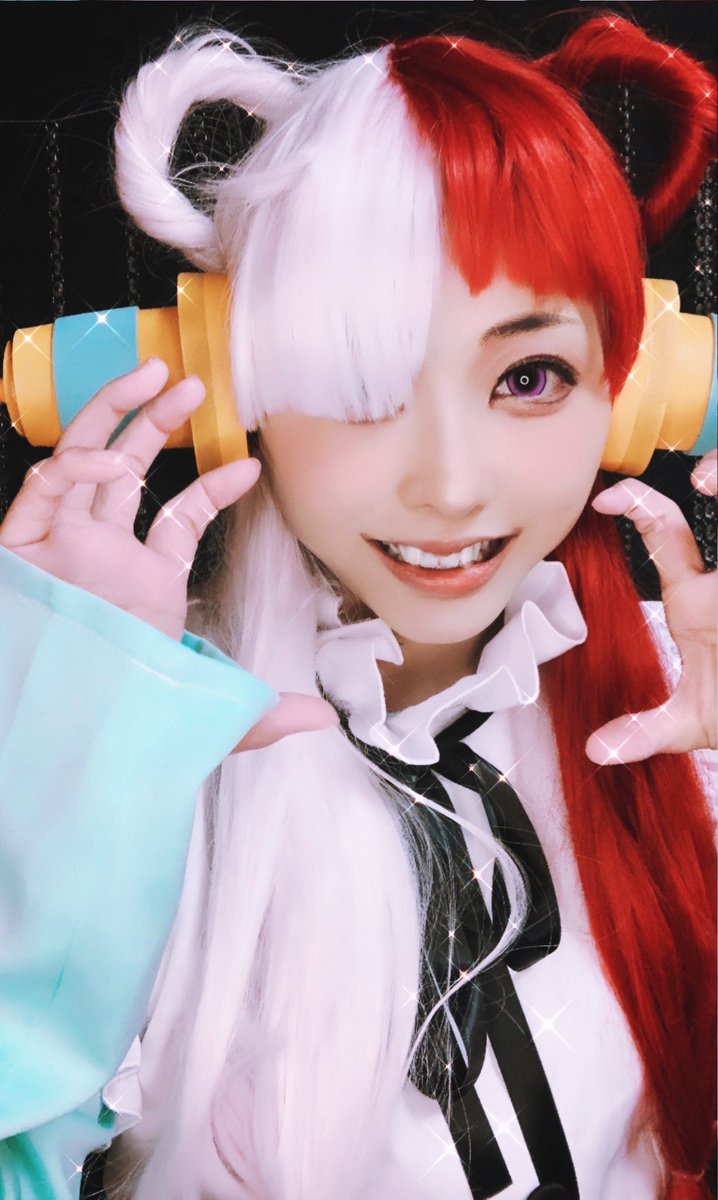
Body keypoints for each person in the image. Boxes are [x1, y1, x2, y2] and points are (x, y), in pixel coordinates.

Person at [0, 12, 715, 1200]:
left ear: (634, 396)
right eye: (356, 382)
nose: (450, 485)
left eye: (528, 376)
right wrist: (69, 769)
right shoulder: (142, 749)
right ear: (234, 393)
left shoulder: (684, 716)